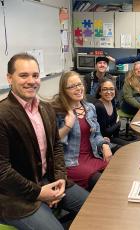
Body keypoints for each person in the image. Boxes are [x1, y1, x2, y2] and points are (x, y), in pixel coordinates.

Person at [0, 53, 88, 229]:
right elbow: (2, 171)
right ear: (9, 78)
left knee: (95, 207)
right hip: (16, 196)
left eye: (35, 75)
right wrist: (39, 193)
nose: (31, 81)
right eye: (23, 75)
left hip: (50, 181)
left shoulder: (46, 109)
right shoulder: (3, 115)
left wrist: (61, 178)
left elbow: (56, 146)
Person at [51, 71, 112, 191]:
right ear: (64, 91)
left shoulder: (90, 108)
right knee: (104, 184)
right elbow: (53, 142)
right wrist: (68, 126)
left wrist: (104, 145)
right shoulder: (58, 111)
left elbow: (97, 134)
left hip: (93, 156)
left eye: (79, 84)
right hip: (72, 162)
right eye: (72, 86)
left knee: (114, 174)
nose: (78, 89)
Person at [95, 78, 131, 147]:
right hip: (101, 142)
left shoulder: (112, 101)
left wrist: (117, 124)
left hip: (110, 138)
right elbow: (105, 132)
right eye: (105, 89)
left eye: (111, 89)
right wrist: (118, 123)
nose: (109, 92)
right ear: (100, 92)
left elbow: (114, 127)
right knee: (127, 148)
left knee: (130, 146)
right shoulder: (99, 106)